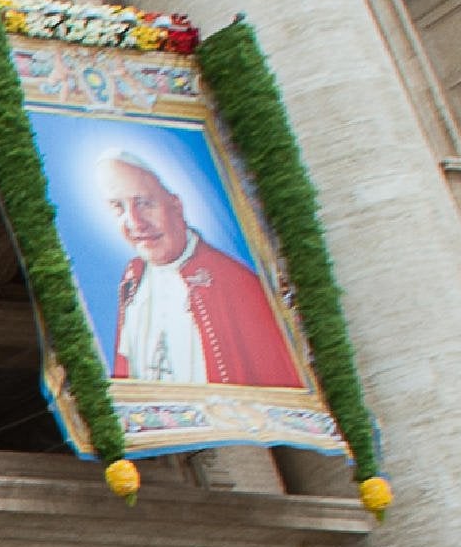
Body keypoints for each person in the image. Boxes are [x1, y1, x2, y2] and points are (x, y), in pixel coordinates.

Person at [98, 151, 310, 390]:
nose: (136, 222)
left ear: (176, 205)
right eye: (118, 207)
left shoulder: (235, 283)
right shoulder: (133, 277)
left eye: (145, 203)